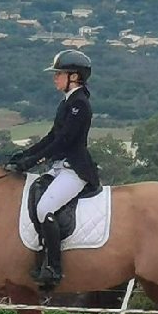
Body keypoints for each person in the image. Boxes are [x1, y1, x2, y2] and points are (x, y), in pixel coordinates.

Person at [6, 50, 100, 291]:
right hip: (60, 168)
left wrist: (35, 160)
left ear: (75, 77)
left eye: (59, 74)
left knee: (45, 207)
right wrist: (26, 154)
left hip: (75, 169)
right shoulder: (67, 101)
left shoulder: (80, 104)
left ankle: (54, 268)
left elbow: (65, 142)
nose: (54, 78)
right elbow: (52, 136)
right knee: (34, 195)